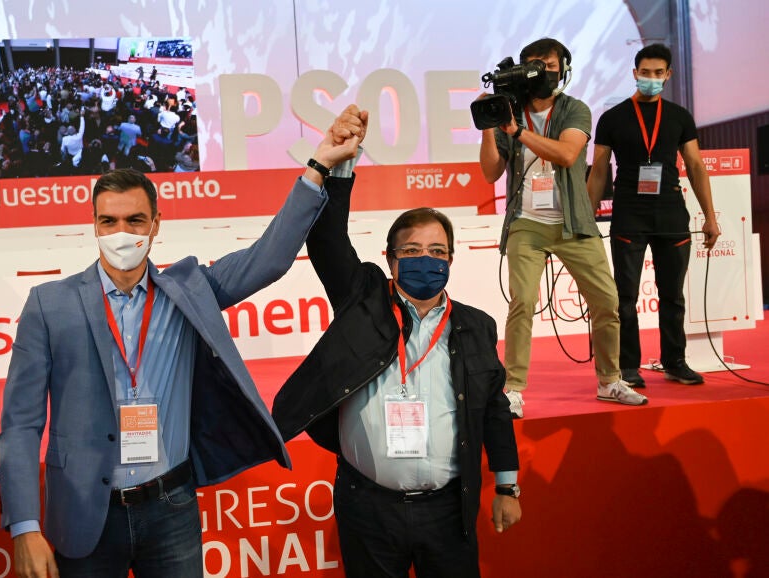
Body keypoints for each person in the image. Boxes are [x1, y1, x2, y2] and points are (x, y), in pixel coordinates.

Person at [0, 109, 365, 578]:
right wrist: (25, 527)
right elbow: (20, 424)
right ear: (94, 225)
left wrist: (319, 165)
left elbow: (268, 258)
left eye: (135, 220)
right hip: (85, 512)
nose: (122, 233)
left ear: (156, 225)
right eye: (109, 221)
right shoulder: (50, 304)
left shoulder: (188, 290)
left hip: (170, 507)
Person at [273, 106, 521, 578]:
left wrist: (507, 486)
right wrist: (339, 165)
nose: (426, 260)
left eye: (437, 251)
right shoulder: (363, 298)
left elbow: (493, 408)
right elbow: (327, 241)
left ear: (451, 260)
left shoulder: (476, 326)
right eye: (412, 251)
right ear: (390, 259)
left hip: (448, 510)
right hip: (369, 508)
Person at [478, 38, 647, 417]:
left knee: (606, 301)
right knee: (522, 302)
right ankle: (514, 388)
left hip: (573, 222)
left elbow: (568, 154)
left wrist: (518, 132)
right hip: (526, 223)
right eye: (533, 65)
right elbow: (490, 172)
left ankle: (610, 381)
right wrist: (489, 125)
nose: (541, 72)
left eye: (549, 65)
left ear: (563, 70)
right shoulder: (510, 112)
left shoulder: (574, 109)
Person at [587, 43, 720, 387]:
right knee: (625, 297)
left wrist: (710, 216)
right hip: (629, 215)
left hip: (671, 215)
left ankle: (675, 361)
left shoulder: (679, 116)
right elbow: (599, 172)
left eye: (658, 73)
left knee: (673, 295)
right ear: (635, 73)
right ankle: (628, 366)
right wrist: (586, 219)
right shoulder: (612, 118)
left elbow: (695, 166)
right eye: (645, 72)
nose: (651, 78)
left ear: (668, 75)